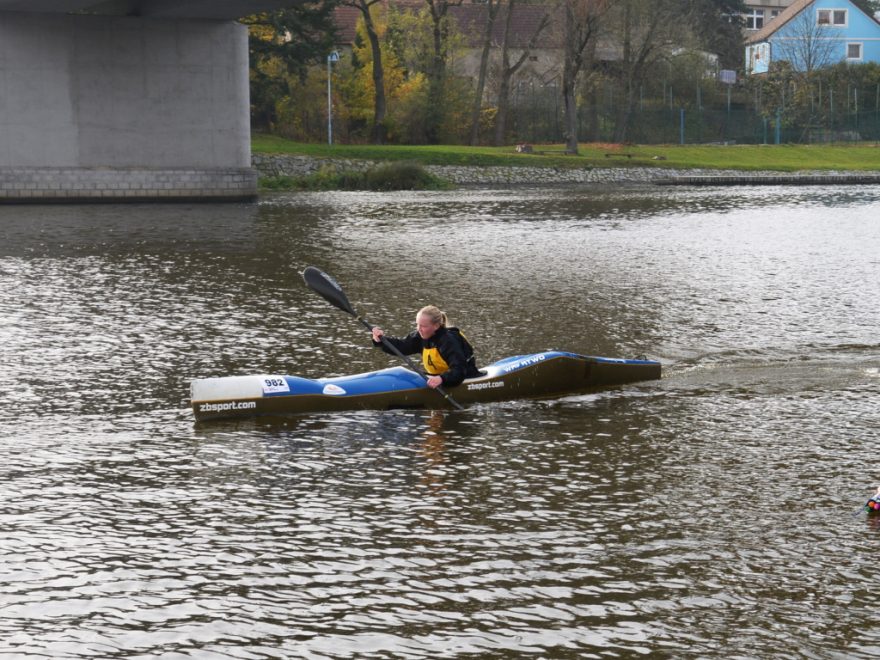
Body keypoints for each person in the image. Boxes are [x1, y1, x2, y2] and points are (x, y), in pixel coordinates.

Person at [371, 305, 480, 389]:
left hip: (464, 378)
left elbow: (459, 370)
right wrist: (381, 341)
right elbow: (402, 347)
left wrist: (442, 379)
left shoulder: (448, 341)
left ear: (436, 326)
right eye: (417, 324)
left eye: (423, 326)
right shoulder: (420, 336)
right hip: (437, 377)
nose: (419, 329)